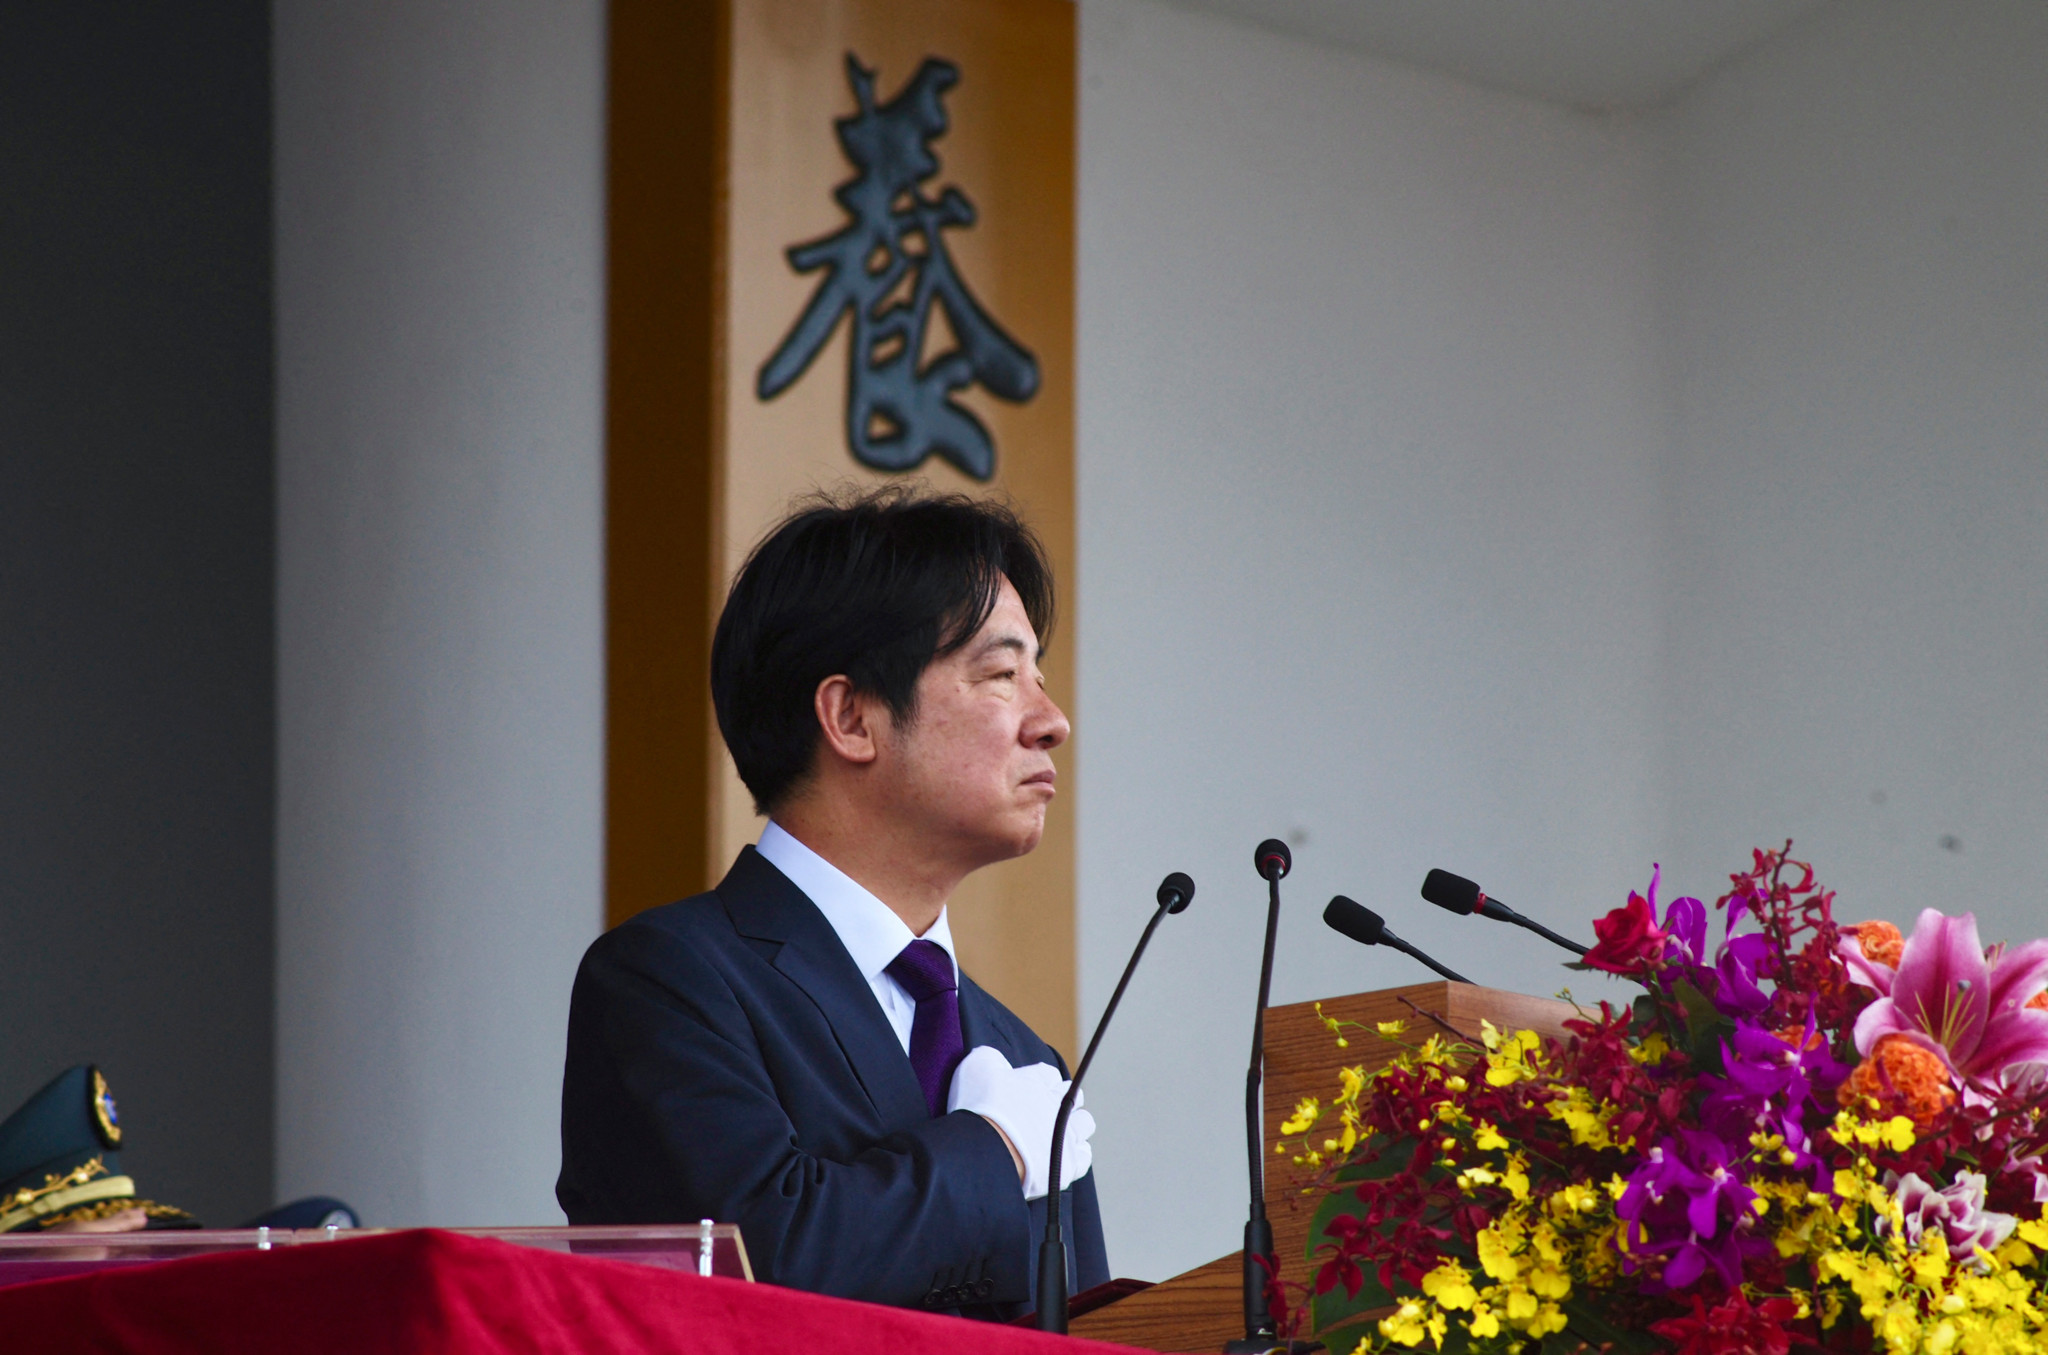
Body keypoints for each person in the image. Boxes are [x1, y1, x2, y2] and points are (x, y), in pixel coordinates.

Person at [557, 489, 1105, 1317]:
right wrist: (992, 1150)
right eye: (1000, 674)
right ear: (851, 716)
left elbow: (1085, 1328)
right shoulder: (666, 979)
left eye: (1039, 674)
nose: (1052, 719)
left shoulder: (1025, 1060)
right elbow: (760, 1265)